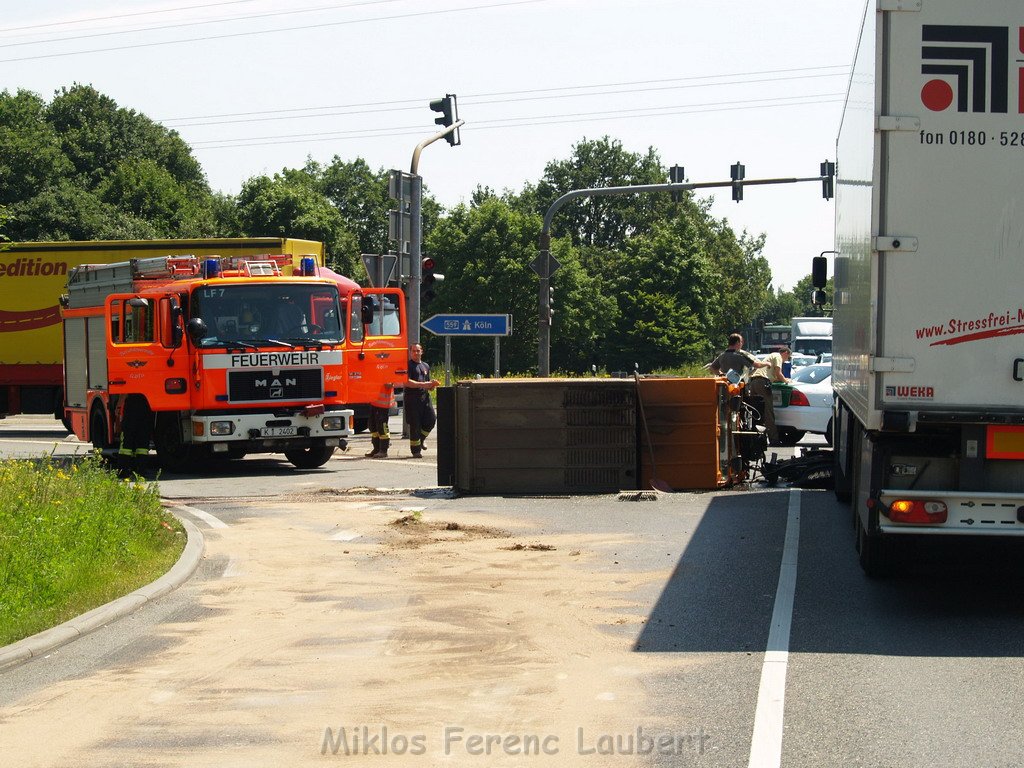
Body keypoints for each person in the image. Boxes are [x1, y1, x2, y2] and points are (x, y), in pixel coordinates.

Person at [745, 345, 791, 444]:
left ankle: (755, 440)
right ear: (785, 353)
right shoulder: (778, 356)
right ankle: (774, 439)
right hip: (762, 383)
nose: (786, 360)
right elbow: (779, 373)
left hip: (753, 383)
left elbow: (774, 374)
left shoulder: (770, 357)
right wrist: (787, 381)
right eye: (788, 358)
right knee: (768, 412)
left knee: (756, 413)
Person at [405, 343, 440, 458]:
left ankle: (421, 439)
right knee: (415, 424)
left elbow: (429, 385)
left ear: (422, 352)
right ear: (410, 353)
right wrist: (425, 384)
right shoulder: (407, 365)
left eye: (418, 350)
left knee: (431, 419)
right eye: (413, 351)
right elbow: (407, 382)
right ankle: (416, 451)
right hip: (412, 398)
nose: (416, 353)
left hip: (424, 397)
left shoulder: (425, 366)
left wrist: (432, 385)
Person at [364, 381, 396, 458]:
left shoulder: (386, 371)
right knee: (372, 426)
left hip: (383, 404)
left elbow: (389, 385)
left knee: (382, 427)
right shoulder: (376, 370)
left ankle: (383, 450)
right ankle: (376, 448)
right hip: (374, 402)